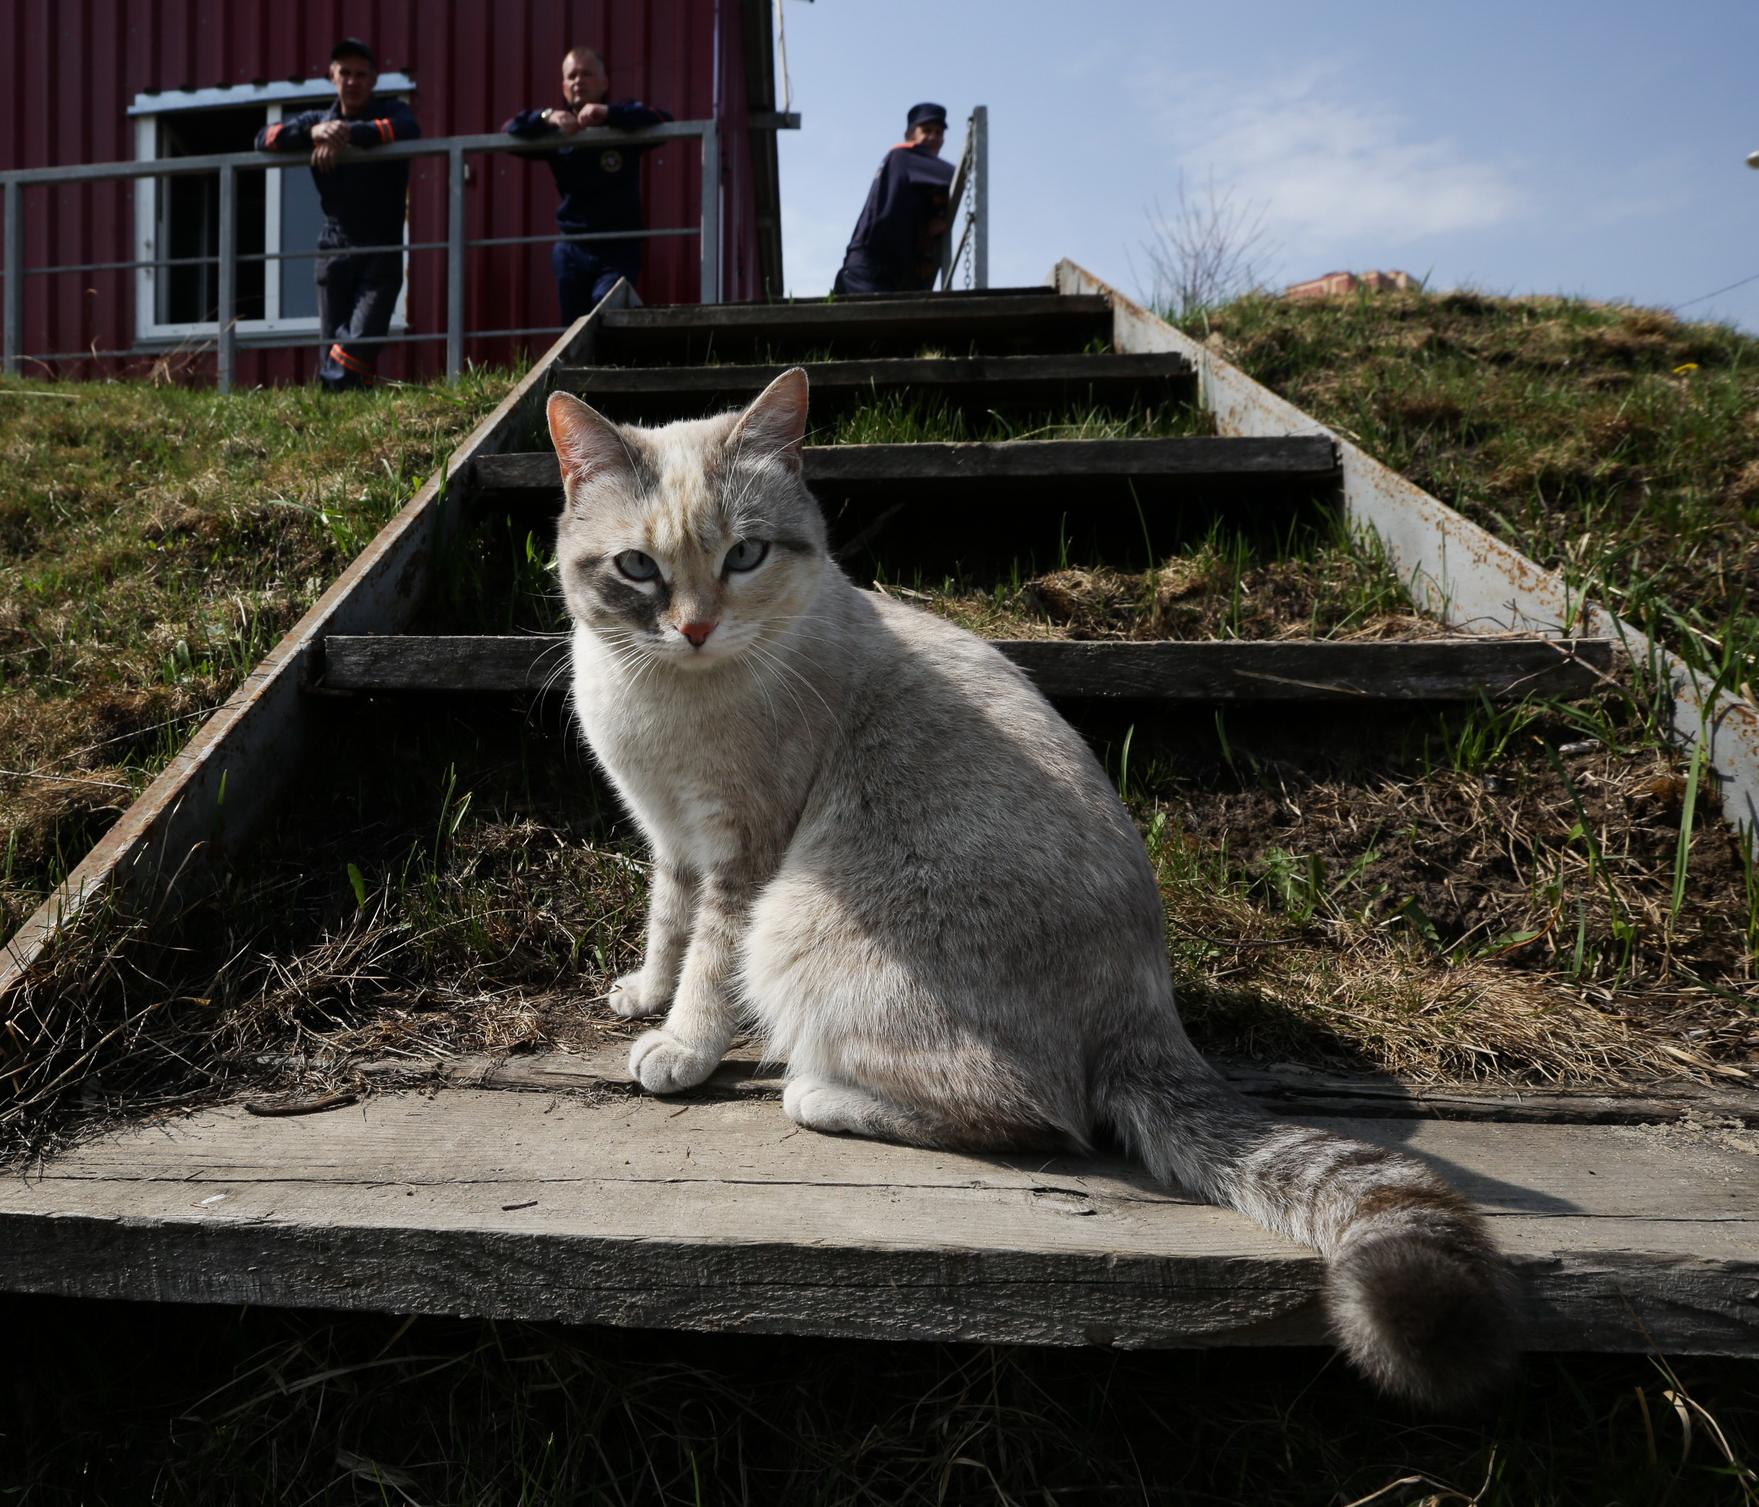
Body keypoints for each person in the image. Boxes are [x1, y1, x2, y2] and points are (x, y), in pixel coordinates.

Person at [255, 38, 420, 391]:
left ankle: (331, 399)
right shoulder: (319, 121)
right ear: (332, 76)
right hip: (334, 243)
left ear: (374, 80)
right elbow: (264, 138)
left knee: (358, 339)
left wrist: (344, 135)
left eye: (361, 74)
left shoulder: (391, 111)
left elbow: (407, 130)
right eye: (345, 73)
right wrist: (313, 133)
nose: (353, 81)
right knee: (334, 345)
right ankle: (343, 415)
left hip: (381, 244)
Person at [504, 48, 673, 319]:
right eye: (571, 76)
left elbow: (663, 120)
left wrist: (607, 114)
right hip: (573, 245)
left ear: (604, 82)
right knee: (574, 325)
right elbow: (510, 131)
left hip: (619, 245)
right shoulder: (557, 132)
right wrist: (548, 117)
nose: (578, 81)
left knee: (605, 312)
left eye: (586, 74)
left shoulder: (621, 121)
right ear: (563, 86)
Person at [833, 103, 956, 295]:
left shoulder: (916, 177)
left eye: (939, 133)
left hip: (875, 274)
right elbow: (955, 175)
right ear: (910, 135)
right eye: (927, 130)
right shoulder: (904, 156)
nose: (934, 137)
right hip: (869, 273)